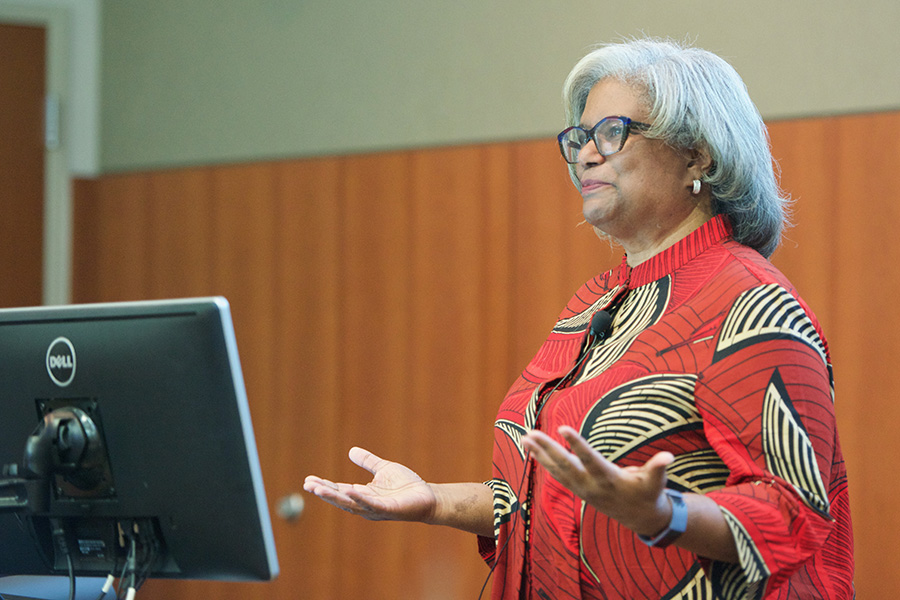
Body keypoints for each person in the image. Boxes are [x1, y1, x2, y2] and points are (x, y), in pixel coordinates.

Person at [303, 37, 854, 599]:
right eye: (579, 138)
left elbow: (797, 517)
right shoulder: (594, 304)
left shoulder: (750, 301)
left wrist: (666, 514)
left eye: (613, 132)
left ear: (698, 155)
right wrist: (433, 500)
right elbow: (548, 495)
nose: (588, 153)